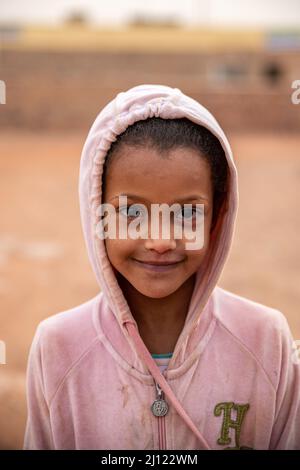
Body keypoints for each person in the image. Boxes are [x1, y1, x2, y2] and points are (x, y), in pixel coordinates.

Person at [23, 84, 300, 450]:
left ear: (217, 219)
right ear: (98, 215)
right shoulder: (58, 346)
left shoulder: (265, 341)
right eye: (132, 212)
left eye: (186, 213)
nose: (160, 240)